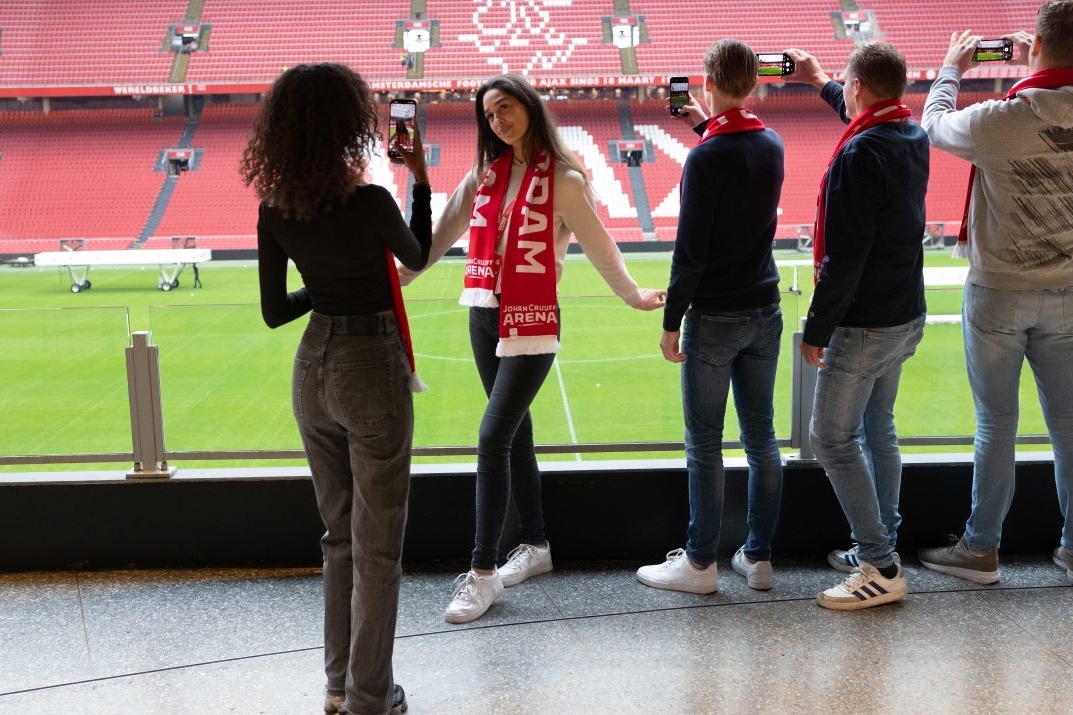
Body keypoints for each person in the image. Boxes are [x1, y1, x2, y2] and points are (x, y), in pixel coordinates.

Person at [398, 73, 665, 624]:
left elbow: (600, 246)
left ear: (529, 107)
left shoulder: (565, 180)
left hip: (534, 322)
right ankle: (537, 546)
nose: (498, 120)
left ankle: (482, 572)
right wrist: (389, 281)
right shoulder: (483, 175)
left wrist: (635, 296)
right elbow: (436, 241)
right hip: (483, 313)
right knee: (514, 434)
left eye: (506, 108)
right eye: (489, 115)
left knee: (492, 436)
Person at [240, 63, 431, 715]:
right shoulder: (373, 201)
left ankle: (336, 685)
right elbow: (418, 256)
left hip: (311, 367)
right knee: (378, 547)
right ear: (349, 120)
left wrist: (320, 289)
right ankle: (370, 696)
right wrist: (423, 182)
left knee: (338, 536)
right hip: (369, 364)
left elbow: (274, 310)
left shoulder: (276, 207)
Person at [917, 3, 1073, 585]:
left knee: (996, 424)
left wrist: (952, 69)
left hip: (1000, 293)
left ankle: (981, 549)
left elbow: (932, 124)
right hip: (1070, 294)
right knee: (1069, 426)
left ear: (1033, 47)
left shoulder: (998, 119)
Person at [634, 39, 785, 595]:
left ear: (707, 80)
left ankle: (700, 563)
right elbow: (737, 166)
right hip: (766, 310)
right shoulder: (771, 143)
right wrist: (705, 123)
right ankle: (760, 559)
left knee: (704, 442)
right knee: (762, 437)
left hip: (716, 316)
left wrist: (671, 321)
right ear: (753, 82)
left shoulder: (706, 159)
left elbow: (690, 252)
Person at [785, 42, 929, 610]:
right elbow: (864, 121)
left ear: (860, 88)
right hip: (903, 315)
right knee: (879, 429)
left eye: (845, 83)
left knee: (832, 438)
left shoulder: (858, 155)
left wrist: (818, 328)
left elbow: (845, 258)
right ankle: (880, 543)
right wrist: (820, 78)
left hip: (865, 323)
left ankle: (880, 564)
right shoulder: (908, 133)